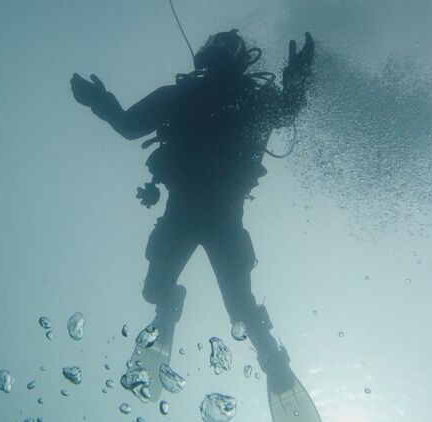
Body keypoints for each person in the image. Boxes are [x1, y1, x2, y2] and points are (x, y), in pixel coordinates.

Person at [71, 29, 314, 400]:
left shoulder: (248, 98)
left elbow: (285, 110)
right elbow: (129, 126)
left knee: (239, 306)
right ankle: (171, 304)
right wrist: (99, 101)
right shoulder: (180, 96)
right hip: (185, 211)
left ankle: (273, 362)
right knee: (154, 290)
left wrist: (298, 79)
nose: (220, 51)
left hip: (222, 215)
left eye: (227, 47)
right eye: (218, 45)